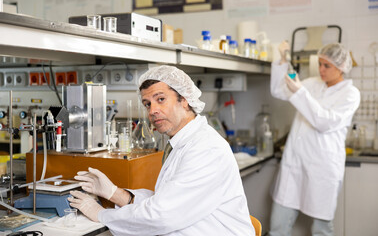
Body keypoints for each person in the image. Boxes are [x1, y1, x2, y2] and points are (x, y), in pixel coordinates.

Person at [68, 65, 255, 235]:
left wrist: (100, 214)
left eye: (161, 99)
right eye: (148, 104)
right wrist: (114, 193)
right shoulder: (181, 142)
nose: (152, 110)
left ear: (185, 99)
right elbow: (166, 201)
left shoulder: (206, 148)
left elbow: (162, 215)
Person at [268, 42, 360, 236]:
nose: (321, 69)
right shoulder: (312, 83)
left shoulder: (350, 94)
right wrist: (283, 60)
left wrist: (300, 92)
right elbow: (278, 90)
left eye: (327, 66)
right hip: (294, 164)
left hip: (322, 169)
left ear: (341, 67)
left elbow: (323, 122)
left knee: (321, 230)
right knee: (277, 226)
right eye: (319, 64)